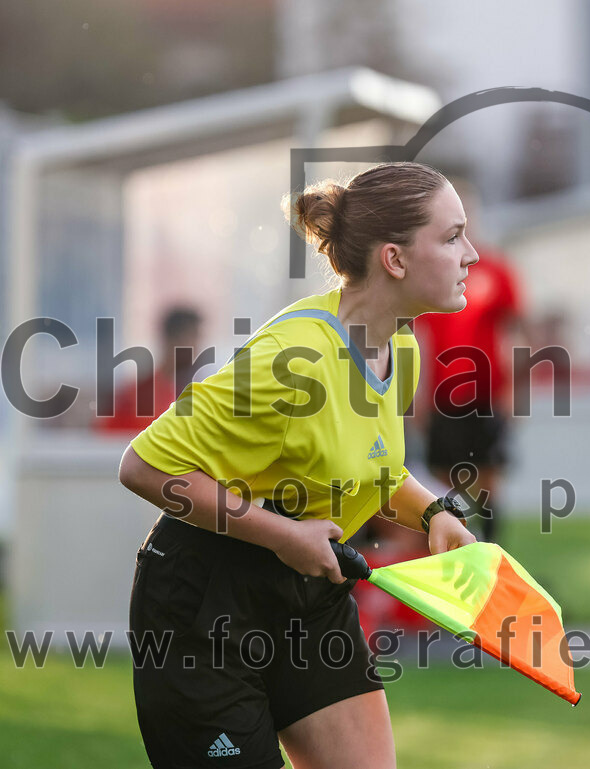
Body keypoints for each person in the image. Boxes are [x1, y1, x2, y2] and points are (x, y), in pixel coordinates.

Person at [118, 162, 479, 769]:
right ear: (394, 259)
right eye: (452, 237)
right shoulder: (294, 360)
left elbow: (372, 469)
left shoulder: (402, 346)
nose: (471, 253)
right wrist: (283, 535)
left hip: (311, 592)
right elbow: (145, 468)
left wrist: (434, 512)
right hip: (203, 604)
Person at [413, 182, 525, 544]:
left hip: (487, 393)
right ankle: (451, 552)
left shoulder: (496, 269)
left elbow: (515, 333)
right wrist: (417, 400)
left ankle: (492, 552)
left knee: (490, 479)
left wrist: (513, 393)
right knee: (443, 481)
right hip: (444, 395)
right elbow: (421, 340)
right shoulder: (431, 273)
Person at [94, 306, 203, 436]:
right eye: (193, 337)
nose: (198, 348)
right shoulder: (137, 396)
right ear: (173, 340)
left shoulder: (189, 392)